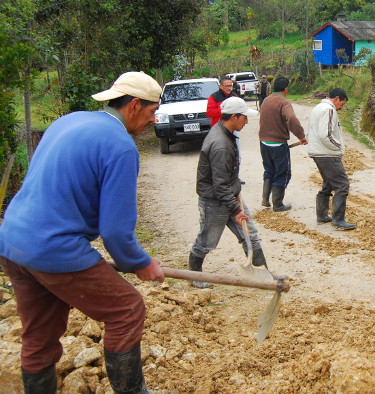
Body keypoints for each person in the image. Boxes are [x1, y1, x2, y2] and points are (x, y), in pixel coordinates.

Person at [0, 71, 165, 393]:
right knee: (127, 309)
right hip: (53, 248)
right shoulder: (120, 147)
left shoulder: (68, 121)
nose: (153, 119)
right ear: (133, 105)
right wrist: (141, 263)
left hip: (12, 242)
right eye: (151, 111)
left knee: (39, 336)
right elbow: (116, 232)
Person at [188, 97, 266, 288]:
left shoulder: (225, 133)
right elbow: (220, 185)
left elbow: (227, 178)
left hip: (229, 197)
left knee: (251, 235)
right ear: (233, 117)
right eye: (244, 118)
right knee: (207, 240)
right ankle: (194, 275)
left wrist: (236, 192)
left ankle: (263, 275)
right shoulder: (220, 144)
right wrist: (236, 210)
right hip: (216, 201)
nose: (246, 122)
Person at [306, 88, 355, 230]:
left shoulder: (318, 108)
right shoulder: (329, 110)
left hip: (318, 152)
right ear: (337, 98)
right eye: (342, 104)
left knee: (328, 183)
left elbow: (312, 132)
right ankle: (338, 220)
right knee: (342, 185)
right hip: (326, 154)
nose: (341, 107)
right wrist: (338, 146)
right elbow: (325, 135)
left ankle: (322, 215)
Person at [258, 76, 307, 211]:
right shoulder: (283, 102)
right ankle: (278, 204)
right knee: (282, 173)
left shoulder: (266, 100)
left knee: (269, 170)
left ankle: (265, 199)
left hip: (264, 143)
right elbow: (290, 118)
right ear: (286, 89)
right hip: (278, 145)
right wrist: (301, 136)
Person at [207, 76, 244, 183]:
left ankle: (235, 177)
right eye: (226, 86)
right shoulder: (213, 97)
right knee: (220, 155)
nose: (229, 88)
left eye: (230, 86)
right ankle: (220, 178)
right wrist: (225, 109)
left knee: (236, 154)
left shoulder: (234, 96)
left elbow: (240, 110)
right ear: (221, 86)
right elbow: (209, 113)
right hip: (218, 129)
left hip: (233, 129)